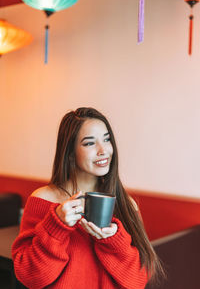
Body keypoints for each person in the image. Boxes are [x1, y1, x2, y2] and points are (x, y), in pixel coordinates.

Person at [12, 107, 162, 289]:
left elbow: (137, 281)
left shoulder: (125, 204)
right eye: (89, 143)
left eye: (107, 139)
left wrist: (113, 241)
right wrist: (56, 225)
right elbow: (30, 277)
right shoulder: (43, 199)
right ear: (69, 152)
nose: (103, 150)